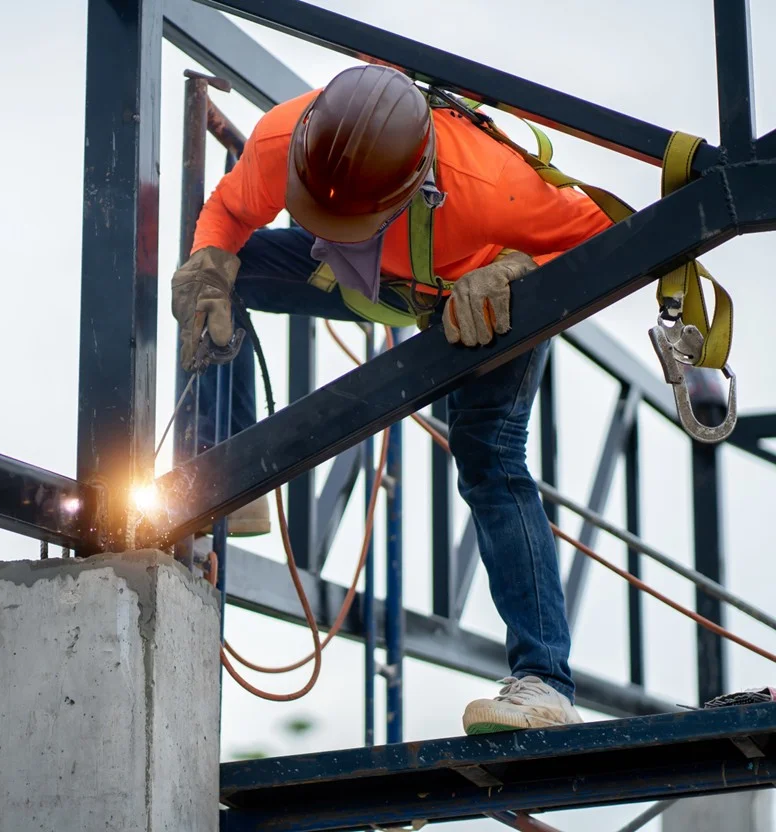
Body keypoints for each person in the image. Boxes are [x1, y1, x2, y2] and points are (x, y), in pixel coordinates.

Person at [171, 65, 612, 734]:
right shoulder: (280, 142)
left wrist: (518, 270)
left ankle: (545, 683)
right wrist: (208, 264)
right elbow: (229, 215)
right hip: (374, 280)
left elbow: (607, 235)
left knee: (488, 455)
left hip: (482, 298)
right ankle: (226, 471)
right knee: (237, 273)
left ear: (415, 188)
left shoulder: (492, 187)